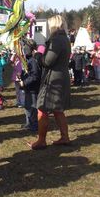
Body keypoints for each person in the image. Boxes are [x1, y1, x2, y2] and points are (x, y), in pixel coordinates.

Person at [29, 15, 71, 150]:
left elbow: (47, 61)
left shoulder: (56, 40)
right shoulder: (65, 38)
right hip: (61, 77)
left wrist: (37, 54)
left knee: (42, 108)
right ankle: (65, 137)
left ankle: (41, 140)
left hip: (53, 80)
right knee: (58, 109)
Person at [17, 40, 41, 132]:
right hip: (27, 88)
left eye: (25, 47)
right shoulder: (27, 60)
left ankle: (34, 125)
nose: (24, 49)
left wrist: (25, 82)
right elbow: (28, 72)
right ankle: (29, 123)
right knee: (27, 106)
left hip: (32, 89)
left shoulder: (33, 61)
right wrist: (21, 76)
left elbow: (35, 76)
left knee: (33, 107)